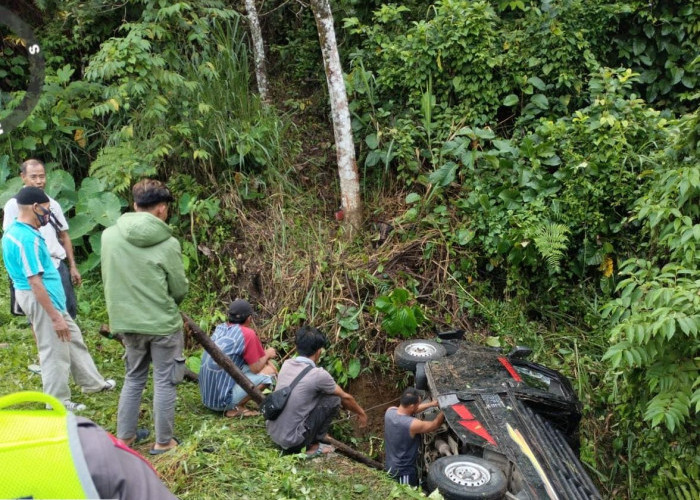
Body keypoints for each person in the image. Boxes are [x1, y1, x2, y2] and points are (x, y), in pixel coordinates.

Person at [1, 187, 115, 411]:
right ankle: (57, 402)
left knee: (73, 338)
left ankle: (92, 383)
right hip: (42, 300)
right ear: (35, 207)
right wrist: (54, 317)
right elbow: (34, 282)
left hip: (50, 298)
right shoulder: (26, 239)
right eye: (47, 210)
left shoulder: (14, 230)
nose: (49, 215)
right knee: (54, 351)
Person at [101, 179, 189, 455]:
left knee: (134, 377)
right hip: (162, 324)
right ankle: (163, 442)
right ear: (162, 209)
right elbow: (179, 289)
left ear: (135, 204)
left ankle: (124, 439)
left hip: (126, 321)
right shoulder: (169, 243)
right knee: (165, 380)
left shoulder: (109, 236)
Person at [0, 391, 177, 500]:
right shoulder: (79, 443)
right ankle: (163, 442)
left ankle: (126, 436)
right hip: (159, 331)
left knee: (134, 375)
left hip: (129, 330)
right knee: (163, 377)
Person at [266, 326, 368, 456]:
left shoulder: (287, 364)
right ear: (319, 351)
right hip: (292, 442)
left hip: (273, 433)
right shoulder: (318, 375)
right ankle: (312, 443)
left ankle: (310, 436)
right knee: (334, 399)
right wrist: (361, 413)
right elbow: (345, 398)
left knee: (318, 394)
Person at [3, 159, 81, 318]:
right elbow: (10, 239)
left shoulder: (53, 204)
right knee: (37, 316)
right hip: (31, 268)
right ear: (22, 177)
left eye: (42, 176)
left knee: (67, 311)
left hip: (56, 264)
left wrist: (72, 266)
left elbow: (64, 235)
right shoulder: (13, 205)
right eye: (34, 177)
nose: (39, 181)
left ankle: (66, 342)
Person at [199, 299, 278, 417]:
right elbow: (256, 368)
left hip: (206, 398)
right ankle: (235, 408)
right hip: (221, 403)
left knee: (262, 367)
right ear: (249, 318)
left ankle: (236, 401)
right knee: (270, 373)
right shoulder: (247, 333)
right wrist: (268, 354)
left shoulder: (220, 328)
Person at [384, 387, 445, 486]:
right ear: (412, 406)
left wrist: (431, 404)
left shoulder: (390, 411)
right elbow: (435, 424)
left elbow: (411, 410)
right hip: (403, 472)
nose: (418, 407)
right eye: (418, 405)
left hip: (390, 464)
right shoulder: (412, 424)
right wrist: (445, 408)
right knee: (406, 494)